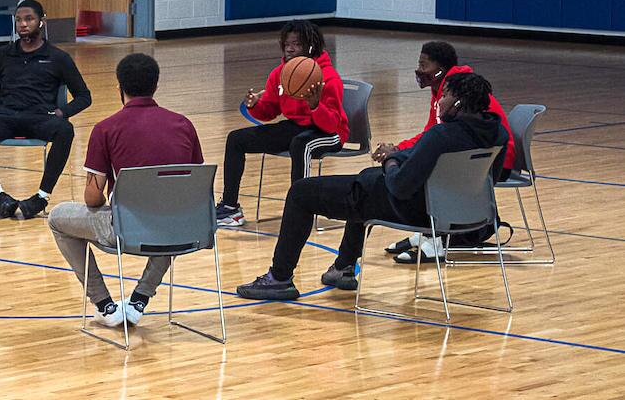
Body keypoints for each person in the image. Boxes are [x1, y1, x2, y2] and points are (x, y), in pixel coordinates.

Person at [235, 72, 509, 300]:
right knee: (363, 185)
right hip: (461, 214)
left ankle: (280, 277)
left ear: (458, 102)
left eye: (445, 96)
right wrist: (401, 159)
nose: (440, 101)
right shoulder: (497, 132)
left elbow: (399, 187)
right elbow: (491, 180)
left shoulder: (441, 136)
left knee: (301, 192)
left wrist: (390, 161)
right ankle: (342, 267)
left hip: (412, 209)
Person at [48, 53, 203, 328]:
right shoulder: (184, 124)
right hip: (182, 229)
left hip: (128, 231)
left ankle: (104, 304)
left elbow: (92, 199)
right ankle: (139, 300)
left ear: (119, 87)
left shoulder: (106, 128)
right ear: (155, 86)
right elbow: (193, 188)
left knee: (58, 218)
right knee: (170, 214)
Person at [371, 41, 516, 263]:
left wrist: (396, 157)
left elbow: (438, 138)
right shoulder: (444, 90)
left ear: (441, 68)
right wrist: (399, 148)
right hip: (479, 157)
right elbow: (430, 133)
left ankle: (436, 236)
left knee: (427, 172)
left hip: (495, 162)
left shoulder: (458, 93)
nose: (419, 70)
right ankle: (428, 233)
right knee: (428, 162)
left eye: (423, 64)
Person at [0, 0, 92, 219]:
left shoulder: (58, 57)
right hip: (5, 116)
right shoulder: (3, 54)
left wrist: (62, 113)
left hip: (39, 118)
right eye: (19, 20)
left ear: (41, 22)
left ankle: (41, 197)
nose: (23, 24)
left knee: (65, 131)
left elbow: (84, 96)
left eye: (29, 19)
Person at [215, 20, 349, 227]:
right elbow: (269, 111)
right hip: (297, 127)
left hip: (330, 133)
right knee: (236, 139)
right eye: (287, 43)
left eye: (296, 44)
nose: (290, 48)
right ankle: (231, 209)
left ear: (310, 47)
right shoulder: (281, 74)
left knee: (300, 144)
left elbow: (332, 124)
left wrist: (315, 106)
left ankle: (301, 209)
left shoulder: (328, 78)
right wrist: (255, 105)